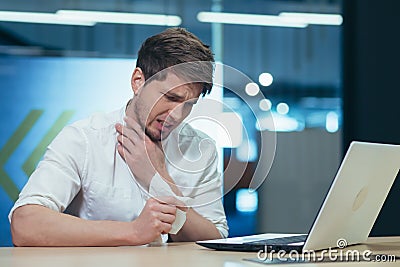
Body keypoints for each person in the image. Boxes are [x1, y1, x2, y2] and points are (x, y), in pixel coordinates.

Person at [9, 28, 228, 246]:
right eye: (170, 97)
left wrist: (159, 179)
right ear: (138, 81)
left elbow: (215, 238)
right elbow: (24, 224)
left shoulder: (200, 149)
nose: (177, 115)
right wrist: (133, 232)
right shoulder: (84, 139)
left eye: (189, 104)